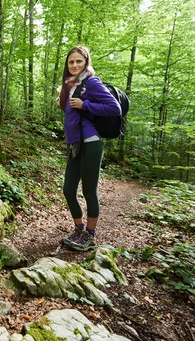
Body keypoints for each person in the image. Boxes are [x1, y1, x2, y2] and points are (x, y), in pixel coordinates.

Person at [57, 45, 121, 251]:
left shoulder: (91, 82)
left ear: (86, 62)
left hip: (91, 143)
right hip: (75, 145)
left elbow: (114, 108)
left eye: (79, 61)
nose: (74, 65)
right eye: (71, 62)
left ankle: (90, 236)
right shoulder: (69, 85)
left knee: (89, 192)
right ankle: (79, 229)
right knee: (68, 190)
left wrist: (86, 105)